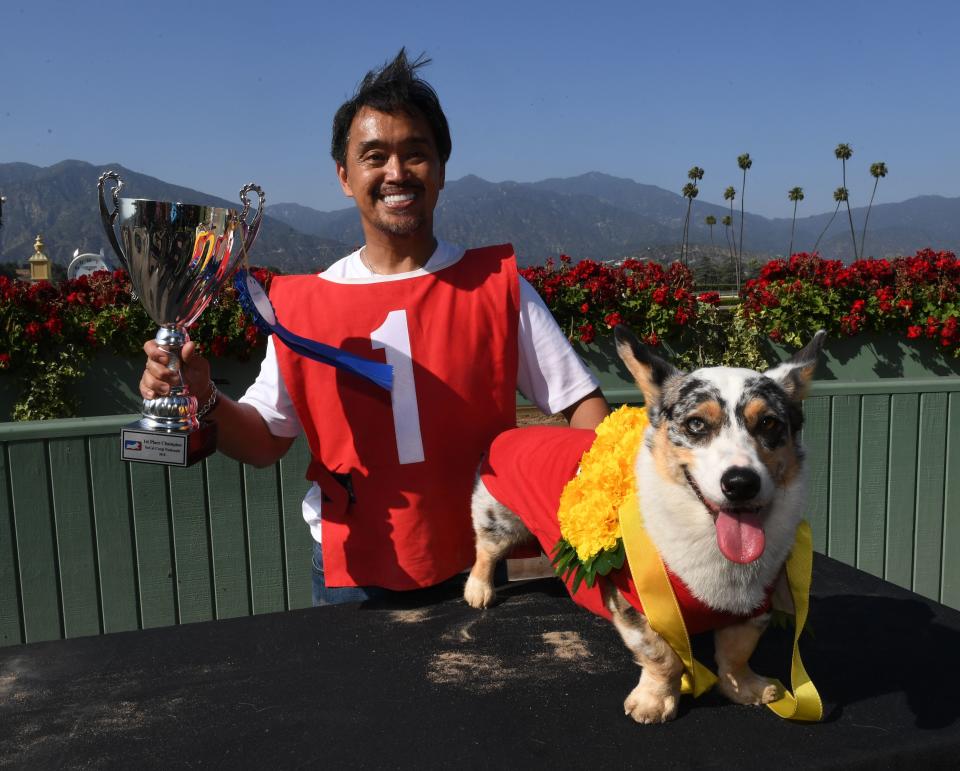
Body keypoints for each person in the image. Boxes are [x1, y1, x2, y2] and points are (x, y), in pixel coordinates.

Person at [140, 49, 608, 606]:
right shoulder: (302, 306)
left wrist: (595, 510)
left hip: (478, 567)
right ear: (344, 175)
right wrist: (203, 396)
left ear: (440, 169)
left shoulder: (497, 286)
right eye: (375, 155)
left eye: (416, 153)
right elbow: (264, 441)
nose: (396, 172)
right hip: (349, 572)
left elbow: (585, 410)